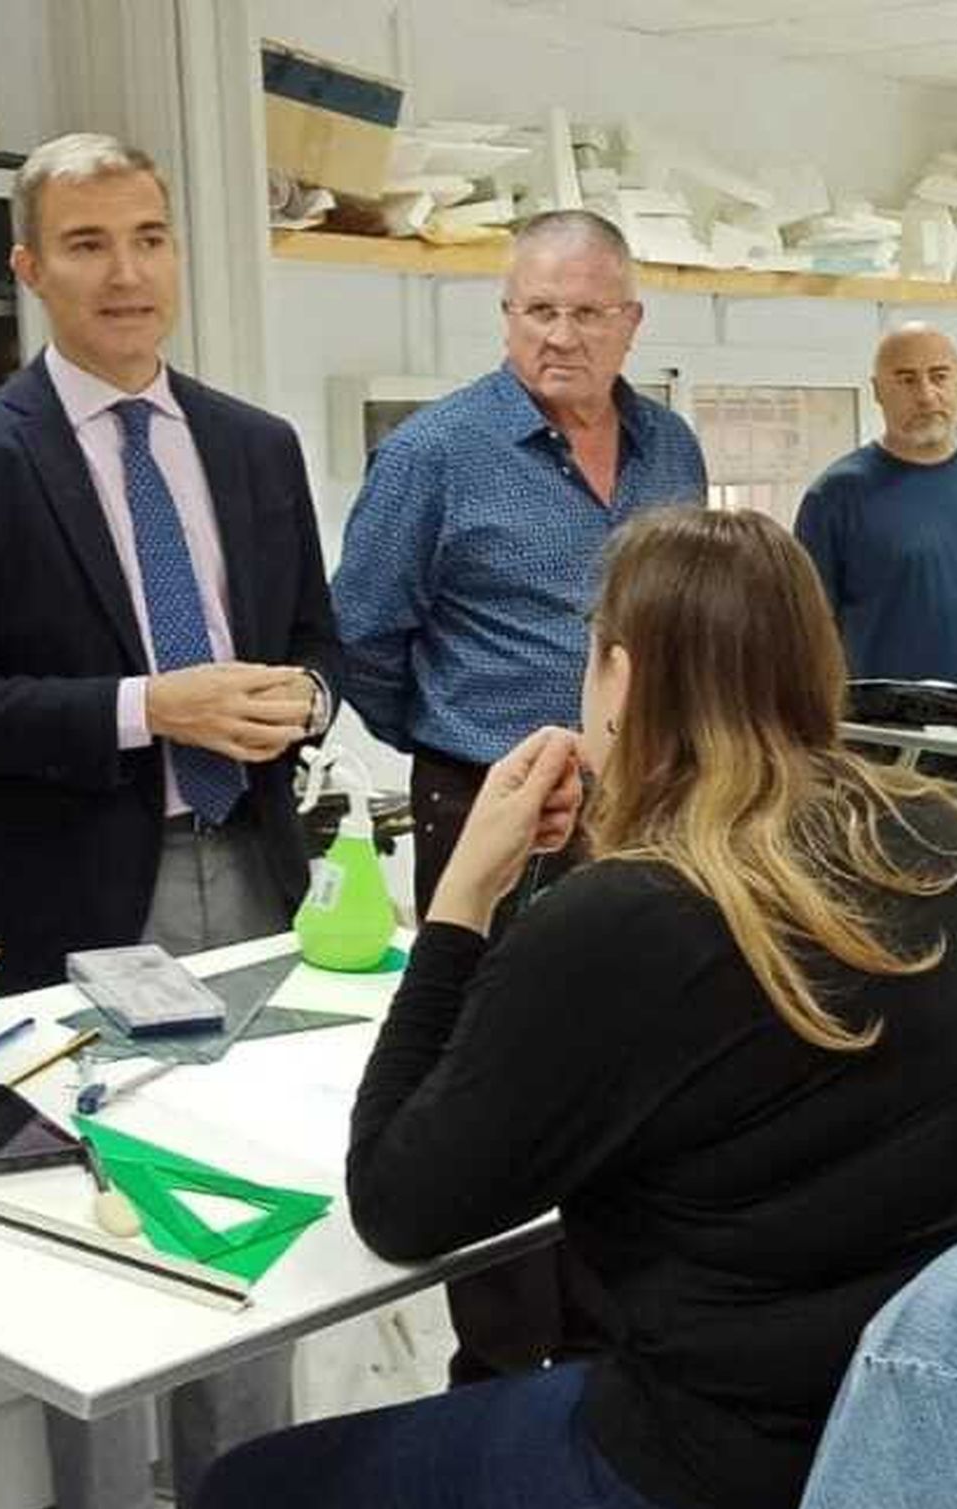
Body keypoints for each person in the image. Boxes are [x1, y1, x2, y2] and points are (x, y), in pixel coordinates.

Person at [184, 506, 957, 1509]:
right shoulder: (945, 841)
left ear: (621, 675)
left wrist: (463, 899)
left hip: (724, 1490)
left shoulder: (638, 913)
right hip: (935, 1463)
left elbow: (400, 1203)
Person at [0, 133, 342, 1509]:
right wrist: (156, 706)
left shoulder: (256, 445)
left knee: (253, 1200)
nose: (126, 271)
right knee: (106, 1230)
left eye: (149, 235)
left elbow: (317, 646)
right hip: (82, 900)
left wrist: (301, 699)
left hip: (251, 873)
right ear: (28, 268)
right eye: (86, 243)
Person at [332, 208, 706, 1381]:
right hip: (492, 806)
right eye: (537, 310)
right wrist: (462, 756)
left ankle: (608, 1349)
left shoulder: (672, 450)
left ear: (629, 323)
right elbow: (361, 638)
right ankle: (498, 1368)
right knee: (492, 1079)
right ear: (505, 317)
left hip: (646, 805)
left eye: (587, 312)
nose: (560, 336)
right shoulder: (436, 456)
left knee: (630, 1069)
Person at [794, 322, 957, 897]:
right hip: (886, 739)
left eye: (939, 377)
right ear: (878, 390)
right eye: (906, 379)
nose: (926, 394)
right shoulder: (836, 496)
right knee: (896, 897)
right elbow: (808, 626)